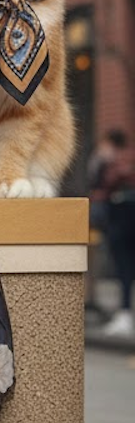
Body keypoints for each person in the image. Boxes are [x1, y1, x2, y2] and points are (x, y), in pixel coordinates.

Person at [95, 130, 135, 336]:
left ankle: (126, 314)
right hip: (121, 220)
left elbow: (102, 188)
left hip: (121, 222)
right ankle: (125, 314)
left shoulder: (115, 165)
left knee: (124, 268)